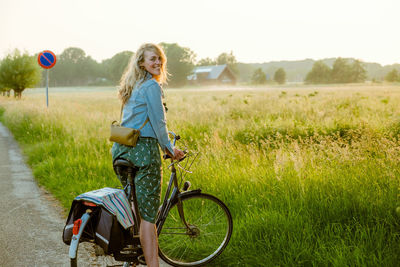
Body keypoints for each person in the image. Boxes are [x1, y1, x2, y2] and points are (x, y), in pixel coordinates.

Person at [111, 43, 184, 267]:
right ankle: (153, 264)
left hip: (122, 150)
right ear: (141, 62)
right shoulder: (152, 86)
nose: (158, 63)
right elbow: (158, 122)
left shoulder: (132, 84)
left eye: (160, 59)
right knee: (149, 218)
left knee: (136, 206)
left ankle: (133, 255)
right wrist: (170, 150)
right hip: (143, 152)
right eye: (152, 59)